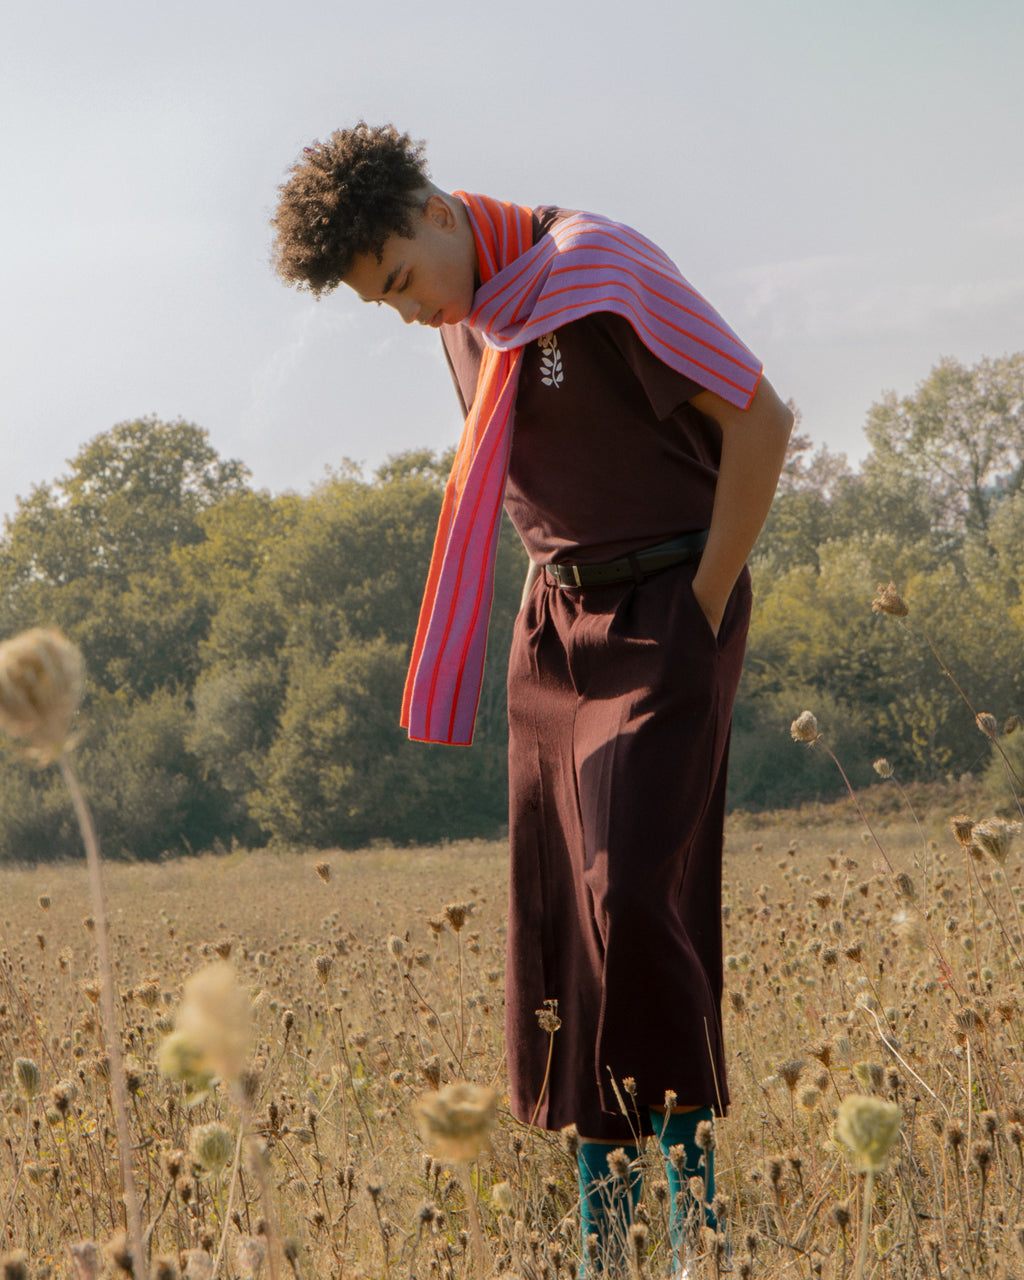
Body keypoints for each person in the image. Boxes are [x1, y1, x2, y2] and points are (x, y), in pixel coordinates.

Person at [272, 122, 793, 1275]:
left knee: (630, 898)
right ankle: (603, 1240)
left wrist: (701, 608)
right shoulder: (469, 316)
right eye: (381, 302)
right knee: (564, 922)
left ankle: (695, 1231)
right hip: (551, 629)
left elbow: (762, 421)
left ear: (439, 213)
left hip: (666, 604)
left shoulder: (595, 266)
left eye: (401, 279)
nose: (408, 311)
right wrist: (545, 617)